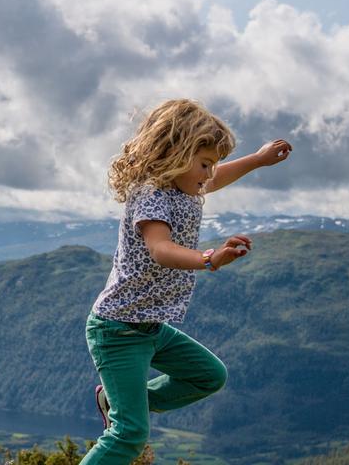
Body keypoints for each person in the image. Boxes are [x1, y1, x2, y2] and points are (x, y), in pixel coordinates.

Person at [82, 98, 291, 464]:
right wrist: (209, 258)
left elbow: (217, 178)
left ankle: (117, 401)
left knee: (209, 376)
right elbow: (161, 249)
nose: (210, 173)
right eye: (205, 163)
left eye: (212, 164)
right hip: (118, 331)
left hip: (149, 328)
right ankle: (123, 409)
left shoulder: (186, 189)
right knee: (129, 435)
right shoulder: (151, 196)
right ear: (175, 154)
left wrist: (258, 160)